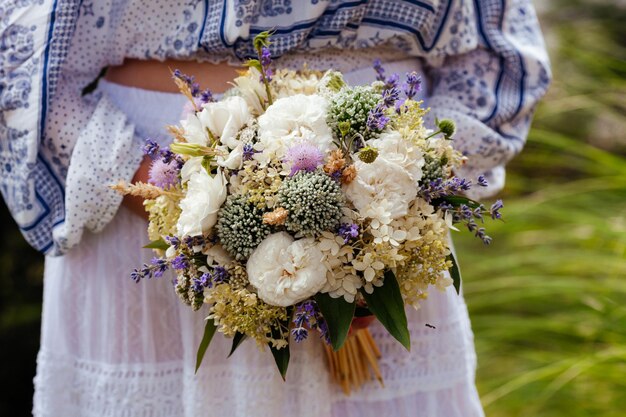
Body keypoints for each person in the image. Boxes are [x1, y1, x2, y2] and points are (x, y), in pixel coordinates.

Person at [0, 1, 550, 416]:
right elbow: (19, 62)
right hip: (147, 225)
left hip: (386, 209)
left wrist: (391, 191)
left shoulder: (387, 202)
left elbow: (498, 60)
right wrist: (170, 189)